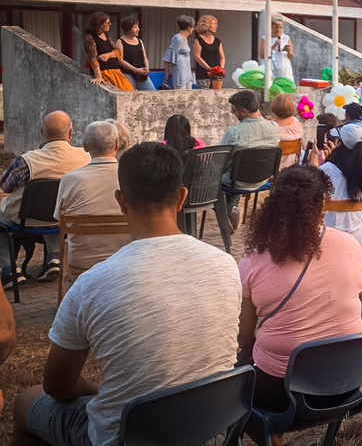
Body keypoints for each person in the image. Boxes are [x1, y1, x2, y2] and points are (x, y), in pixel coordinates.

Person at [12, 143, 242, 446]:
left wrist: (95, 389)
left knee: (26, 400)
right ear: (182, 197)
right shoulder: (226, 265)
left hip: (124, 437)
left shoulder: (91, 283)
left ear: (121, 201)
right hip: (211, 429)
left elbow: (56, 386)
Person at [238, 166, 362, 414]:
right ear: (322, 206)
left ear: (275, 205)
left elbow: (244, 336)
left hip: (283, 392)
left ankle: (272, 436)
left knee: (233, 390)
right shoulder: (350, 244)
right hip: (346, 383)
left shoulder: (253, 260)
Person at [1, 111, 90, 287]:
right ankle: (53, 258)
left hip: (26, 221)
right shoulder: (85, 157)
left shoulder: (26, 161)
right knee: (57, 207)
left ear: (42, 131)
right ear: (71, 133)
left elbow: (5, 187)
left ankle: (9, 269)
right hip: (65, 220)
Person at [53, 121, 130, 279]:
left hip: (83, 260)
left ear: (85, 146)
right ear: (117, 145)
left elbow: (59, 219)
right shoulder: (131, 177)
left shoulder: (70, 179)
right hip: (125, 256)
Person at [220, 90, 280, 225]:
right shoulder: (274, 127)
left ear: (244, 111)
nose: (234, 114)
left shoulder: (234, 132)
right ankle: (232, 211)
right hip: (263, 179)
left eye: (234, 111)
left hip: (236, 181)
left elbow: (220, 158)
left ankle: (227, 215)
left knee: (219, 177)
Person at [319, 124, 362, 245]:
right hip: (356, 237)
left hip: (329, 237)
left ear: (339, 143)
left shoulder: (327, 170)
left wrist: (314, 165)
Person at [82, 12, 133, 91]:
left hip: (116, 71)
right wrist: (99, 76)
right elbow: (93, 58)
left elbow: (118, 52)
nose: (109, 24)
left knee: (129, 89)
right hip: (105, 71)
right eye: (107, 23)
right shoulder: (90, 38)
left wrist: (108, 55)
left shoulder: (106, 36)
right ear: (99, 24)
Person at [115, 16, 154, 91]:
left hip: (141, 74)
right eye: (135, 27)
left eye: (138, 27)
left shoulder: (140, 41)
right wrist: (135, 69)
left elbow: (145, 57)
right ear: (128, 29)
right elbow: (120, 60)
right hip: (128, 73)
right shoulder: (120, 42)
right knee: (131, 94)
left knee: (152, 92)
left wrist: (147, 68)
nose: (138, 30)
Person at [269, 93, 303, 170]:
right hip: (292, 165)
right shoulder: (295, 122)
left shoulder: (272, 127)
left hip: (274, 168)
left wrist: (270, 123)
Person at [193, 14, 225, 90]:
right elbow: (197, 57)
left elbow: (222, 56)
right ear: (207, 25)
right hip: (203, 75)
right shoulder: (198, 40)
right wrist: (210, 69)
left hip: (217, 76)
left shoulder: (217, 41)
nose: (216, 26)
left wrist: (220, 70)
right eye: (214, 24)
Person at [162, 15, 195, 90]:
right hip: (180, 72)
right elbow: (168, 57)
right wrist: (166, 74)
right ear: (189, 27)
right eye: (192, 27)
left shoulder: (184, 39)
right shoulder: (178, 39)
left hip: (186, 71)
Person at [259, 16, 294, 83]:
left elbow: (291, 56)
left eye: (280, 28)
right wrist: (274, 46)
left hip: (284, 68)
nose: (278, 30)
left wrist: (289, 51)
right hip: (270, 67)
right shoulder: (265, 38)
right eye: (276, 27)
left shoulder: (286, 38)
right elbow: (261, 55)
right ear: (271, 27)